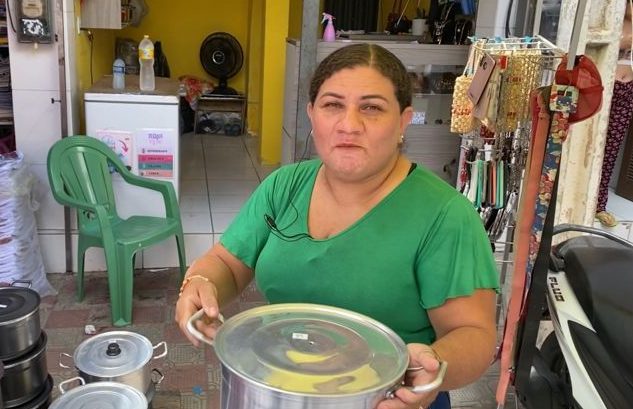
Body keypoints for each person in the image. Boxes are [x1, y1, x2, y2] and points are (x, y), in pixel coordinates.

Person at [175, 43, 499, 409]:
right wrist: (199, 283)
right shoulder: (285, 187)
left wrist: (431, 368)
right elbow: (228, 265)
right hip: (284, 390)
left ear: (403, 120)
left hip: (389, 399)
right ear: (312, 114)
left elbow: (473, 334)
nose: (349, 125)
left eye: (371, 108)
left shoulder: (444, 216)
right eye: (332, 105)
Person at [595, 0, 633, 227]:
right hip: (602, 86)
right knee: (590, 145)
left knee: (610, 149)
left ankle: (600, 203)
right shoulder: (610, 18)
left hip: (626, 89)